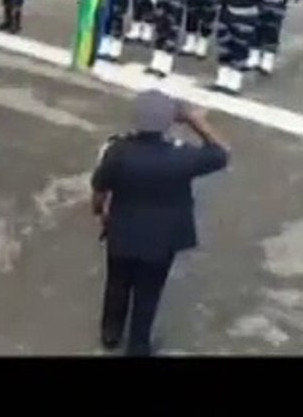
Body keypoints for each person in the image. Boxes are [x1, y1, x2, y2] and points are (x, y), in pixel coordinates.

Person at [90, 90, 230, 356]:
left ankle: (111, 333)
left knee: (117, 283)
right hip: (162, 240)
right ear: (170, 121)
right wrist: (194, 120)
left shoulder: (118, 151)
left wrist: (99, 211)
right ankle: (138, 345)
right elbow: (221, 154)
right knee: (148, 292)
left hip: (123, 232)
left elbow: (99, 187)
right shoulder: (181, 157)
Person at [212, 0, 273, 94]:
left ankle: (234, 82)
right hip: (228, 10)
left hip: (246, 13)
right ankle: (221, 79)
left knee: (240, 47)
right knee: (224, 45)